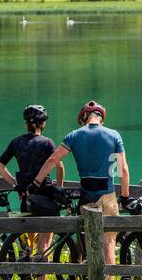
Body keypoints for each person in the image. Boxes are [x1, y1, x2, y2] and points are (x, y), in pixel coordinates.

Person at [29, 100, 130, 267]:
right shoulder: (114, 135)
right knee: (109, 244)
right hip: (107, 195)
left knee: (83, 239)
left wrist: (36, 181)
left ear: (84, 118)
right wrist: (125, 196)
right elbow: (123, 170)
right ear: (100, 118)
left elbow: (54, 159)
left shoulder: (74, 135)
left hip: (86, 196)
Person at [0, 104, 64, 280]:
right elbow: (59, 167)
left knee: (27, 242)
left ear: (26, 123)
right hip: (45, 200)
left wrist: (16, 185)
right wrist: (58, 188)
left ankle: (26, 279)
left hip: (26, 198)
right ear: (42, 123)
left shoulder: (16, 142)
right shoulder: (47, 143)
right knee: (44, 244)